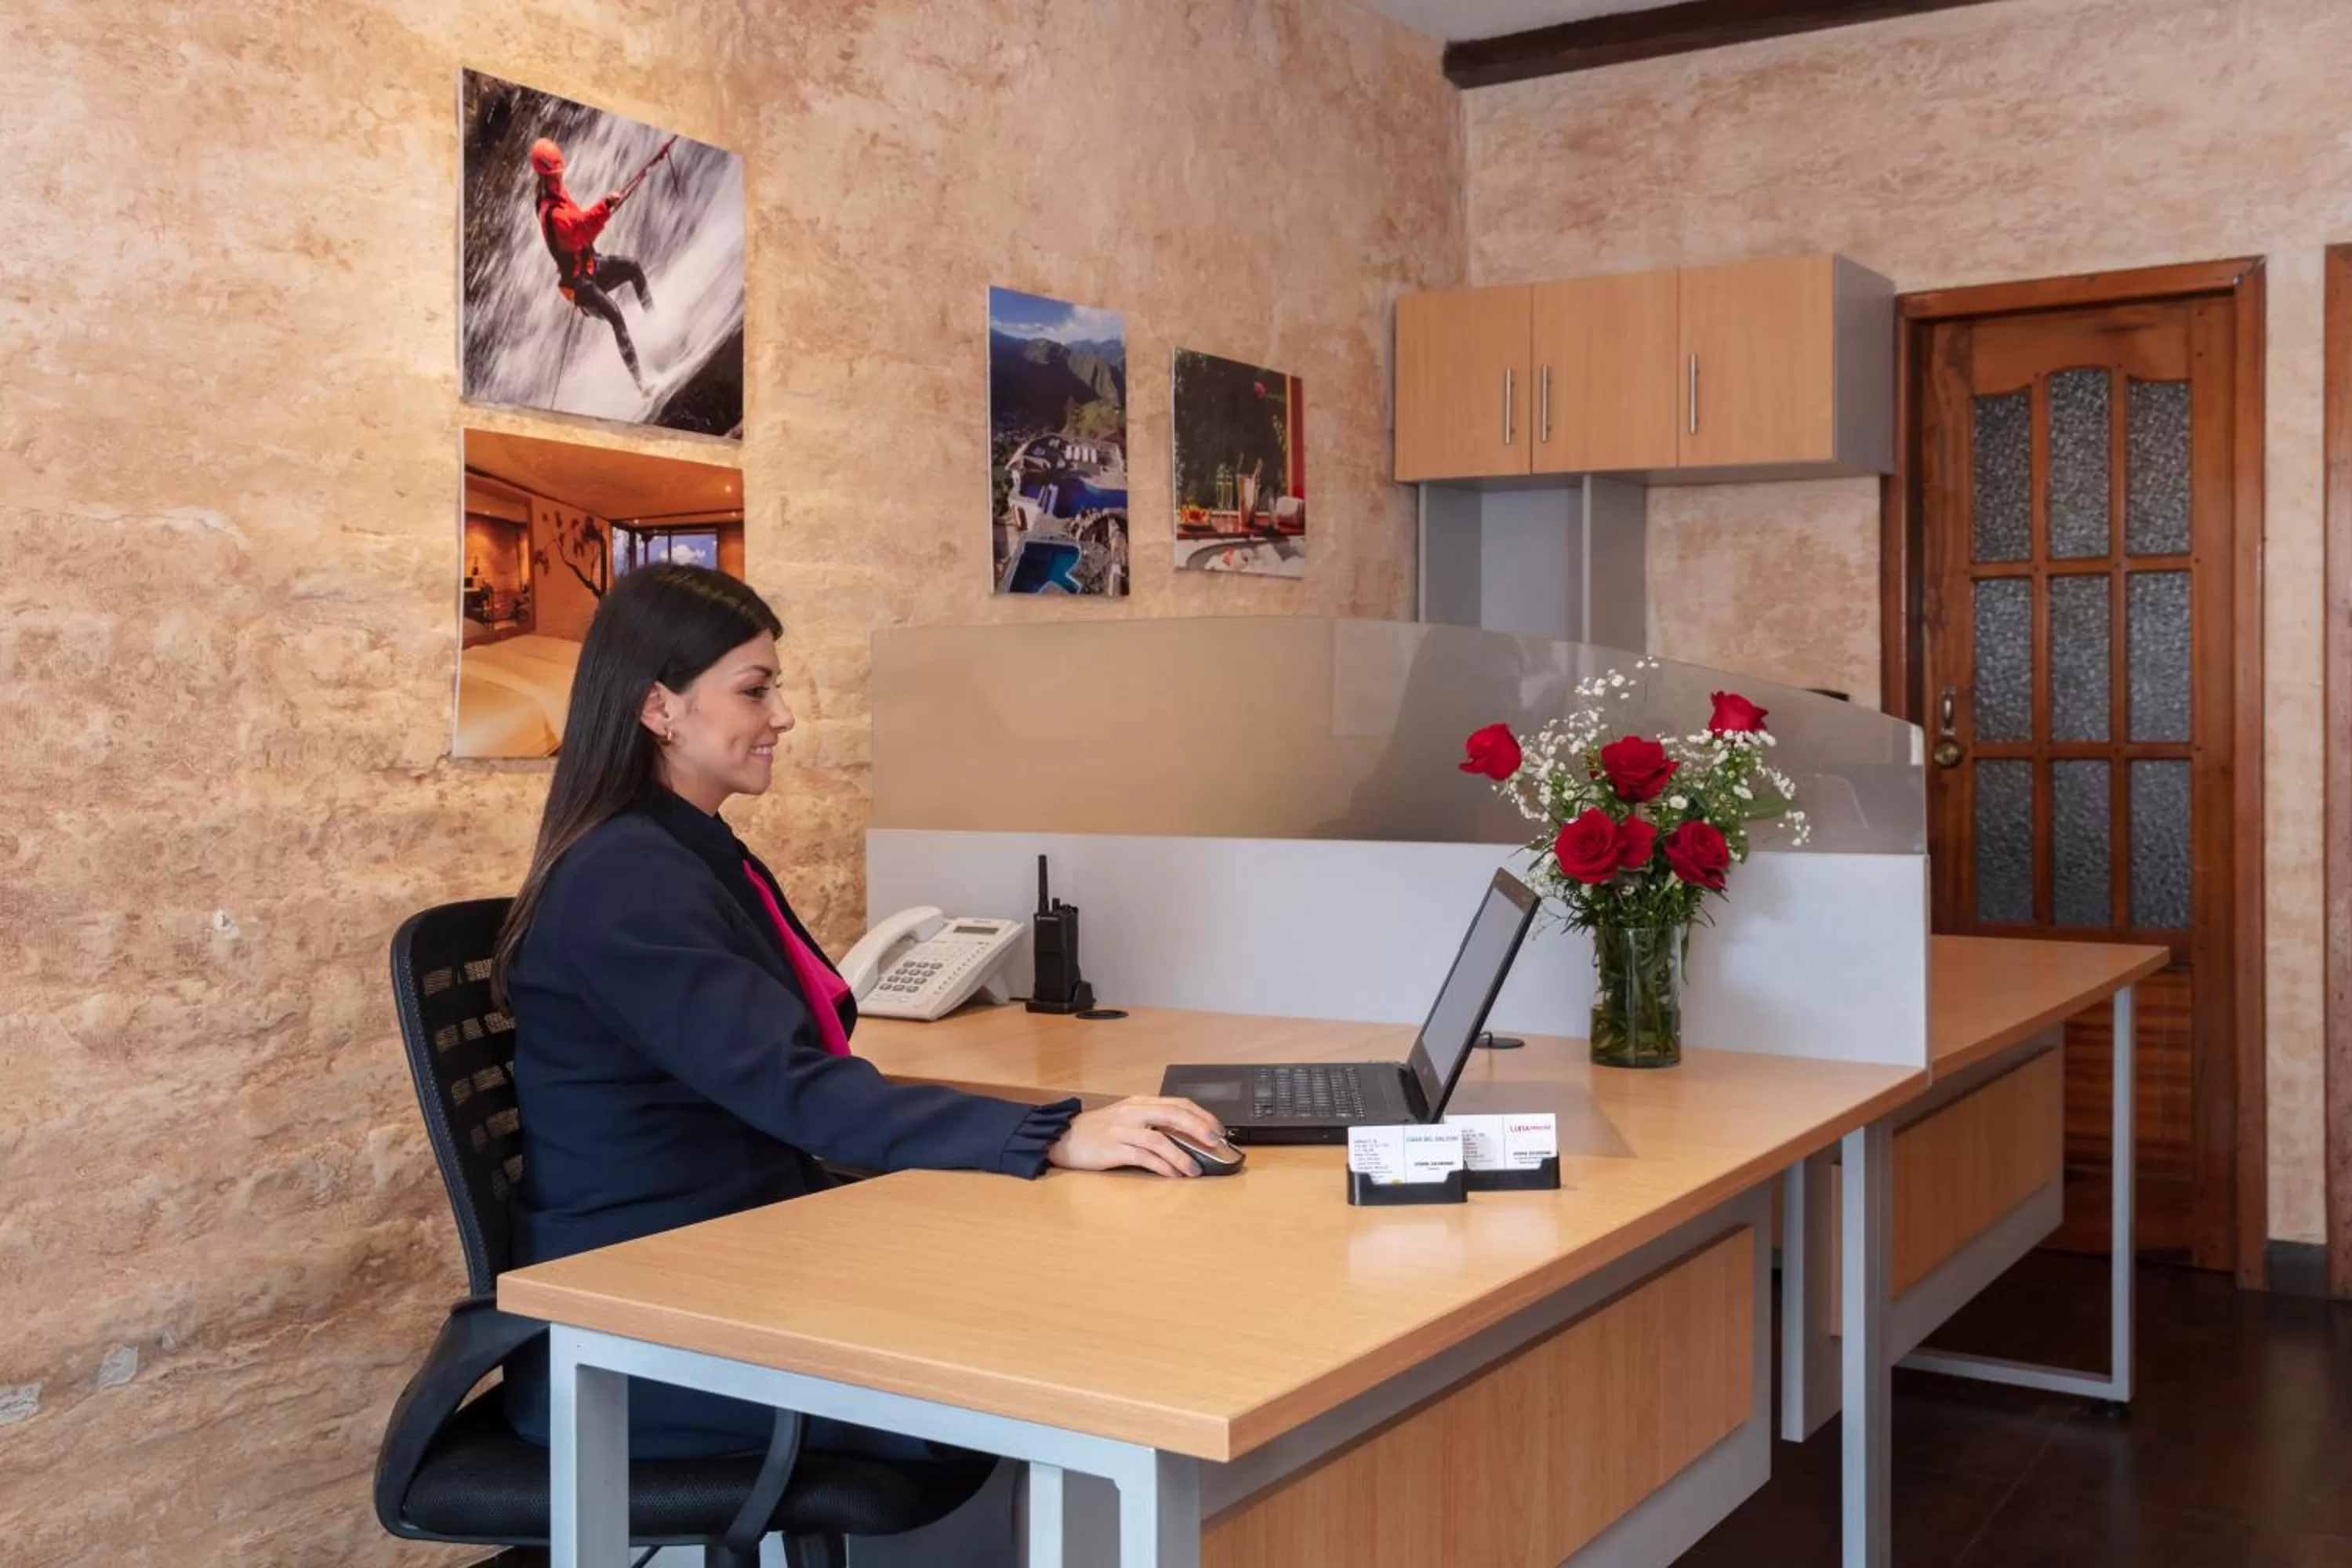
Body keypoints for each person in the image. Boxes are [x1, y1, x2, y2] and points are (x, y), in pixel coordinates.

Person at [493, 562, 1224, 1460]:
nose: (785, 716)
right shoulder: (623, 882)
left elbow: (797, 1065)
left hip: (736, 1253)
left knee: (1040, 1291)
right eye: (756, 690)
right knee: (1049, 1358)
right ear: (659, 708)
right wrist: (1055, 1132)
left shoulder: (686, 851)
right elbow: (796, 1087)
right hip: (648, 1313)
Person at [528, 136, 653, 390]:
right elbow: (582, 230)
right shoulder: (552, 215)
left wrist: (606, 207)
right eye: (553, 177)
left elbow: (582, 223)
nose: (558, 180)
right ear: (543, 177)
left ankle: (656, 323)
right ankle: (642, 384)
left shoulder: (556, 193)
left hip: (590, 267)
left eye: (559, 175)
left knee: (633, 268)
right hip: (579, 286)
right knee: (616, 315)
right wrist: (606, 205)